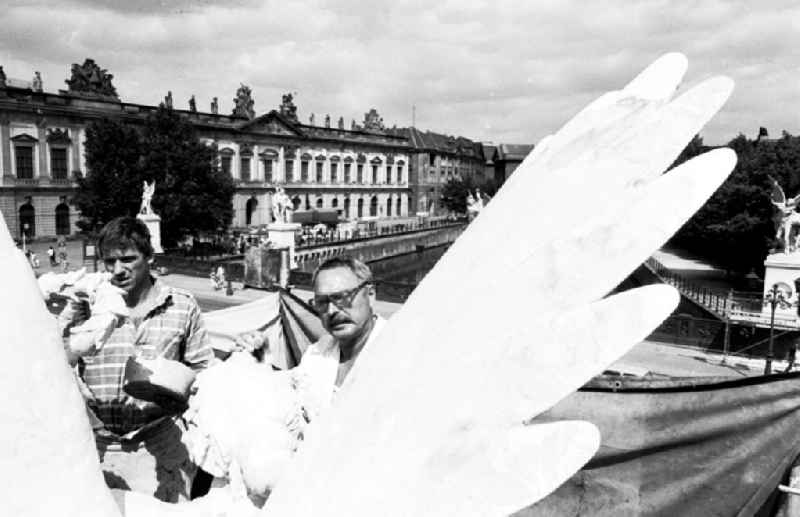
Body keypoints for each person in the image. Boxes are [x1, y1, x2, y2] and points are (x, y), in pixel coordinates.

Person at [59, 216, 214, 502]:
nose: (117, 270)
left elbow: (204, 373)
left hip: (162, 442)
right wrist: (68, 331)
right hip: (98, 449)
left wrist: (181, 395)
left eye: (128, 259)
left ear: (150, 256)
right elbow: (56, 369)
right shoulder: (88, 305)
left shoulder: (182, 304)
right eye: (109, 262)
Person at [295, 255, 385, 420]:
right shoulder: (317, 355)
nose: (331, 311)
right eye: (321, 302)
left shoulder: (398, 348)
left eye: (342, 298)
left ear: (370, 295)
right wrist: (258, 354)